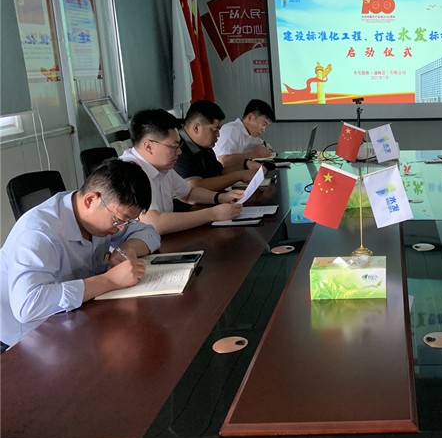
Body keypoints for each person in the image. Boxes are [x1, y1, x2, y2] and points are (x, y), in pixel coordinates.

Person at [0, 159, 160, 349]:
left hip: (77, 314)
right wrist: (110, 280)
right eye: (119, 219)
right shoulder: (38, 233)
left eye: (128, 222)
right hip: (26, 337)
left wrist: (126, 250)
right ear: (91, 200)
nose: (122, 228)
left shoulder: (99, 216)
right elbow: (28, 306)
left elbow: (150, 233)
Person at [121, 109, 243, 234]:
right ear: (148, 146)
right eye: (174, 146)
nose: (179, 152)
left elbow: (188, 193)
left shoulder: (162, 166)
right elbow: (155, 224)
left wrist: (221, 197)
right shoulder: (129, 172)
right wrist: (213, 214)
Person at [174, 100, 270, 193]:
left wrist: (245, 165)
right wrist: (239, 176)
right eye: (214, 130)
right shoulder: (179, 148)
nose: (218, 135)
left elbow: (219, 172)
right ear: (196, 128)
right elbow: (196, 186)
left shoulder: (204, 147)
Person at [214, 99, 275, 167]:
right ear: (250, 117)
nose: (264, 130)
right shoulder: (231, 130)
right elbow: (223, 160)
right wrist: (255, 154)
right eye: (264, 124)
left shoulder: (249, 135)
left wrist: (267, 149)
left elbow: (265, 145)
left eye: (266, 126)